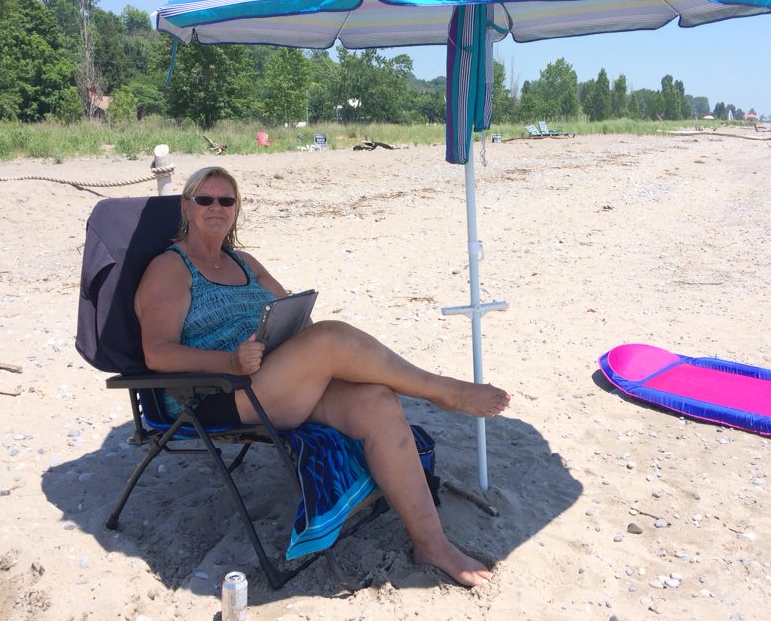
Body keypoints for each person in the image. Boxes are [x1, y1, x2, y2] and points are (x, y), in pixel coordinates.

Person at [135, 166, 511, 587]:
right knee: (330, 338)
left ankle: (432, 543)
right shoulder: (171, 268)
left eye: (227, 200)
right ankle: (441, 390)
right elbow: (156, 352)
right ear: (186, 206)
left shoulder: (245, 262)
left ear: (237, 208)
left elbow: (295, 313)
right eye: (205, 199)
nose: (216, 207)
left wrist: (287, 341)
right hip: (216, 391)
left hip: (273, 379)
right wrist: (230, 363)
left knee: (376, 400)